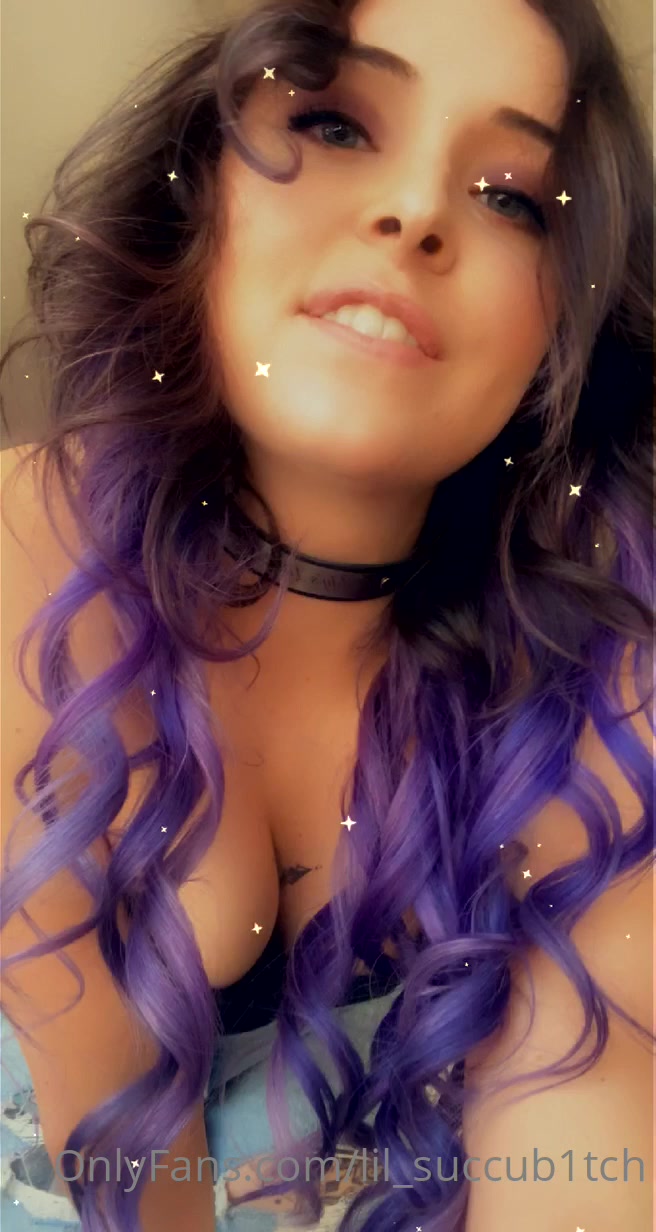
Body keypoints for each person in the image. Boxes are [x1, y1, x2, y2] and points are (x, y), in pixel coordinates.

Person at [1, 0, 653, 1229]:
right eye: (337, 124)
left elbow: (581, 1161)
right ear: (199, 192)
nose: (414, 212)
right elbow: (132, 1191)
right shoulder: (26, 553)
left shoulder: (589, 682)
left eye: (511, 196)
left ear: (564, 326)